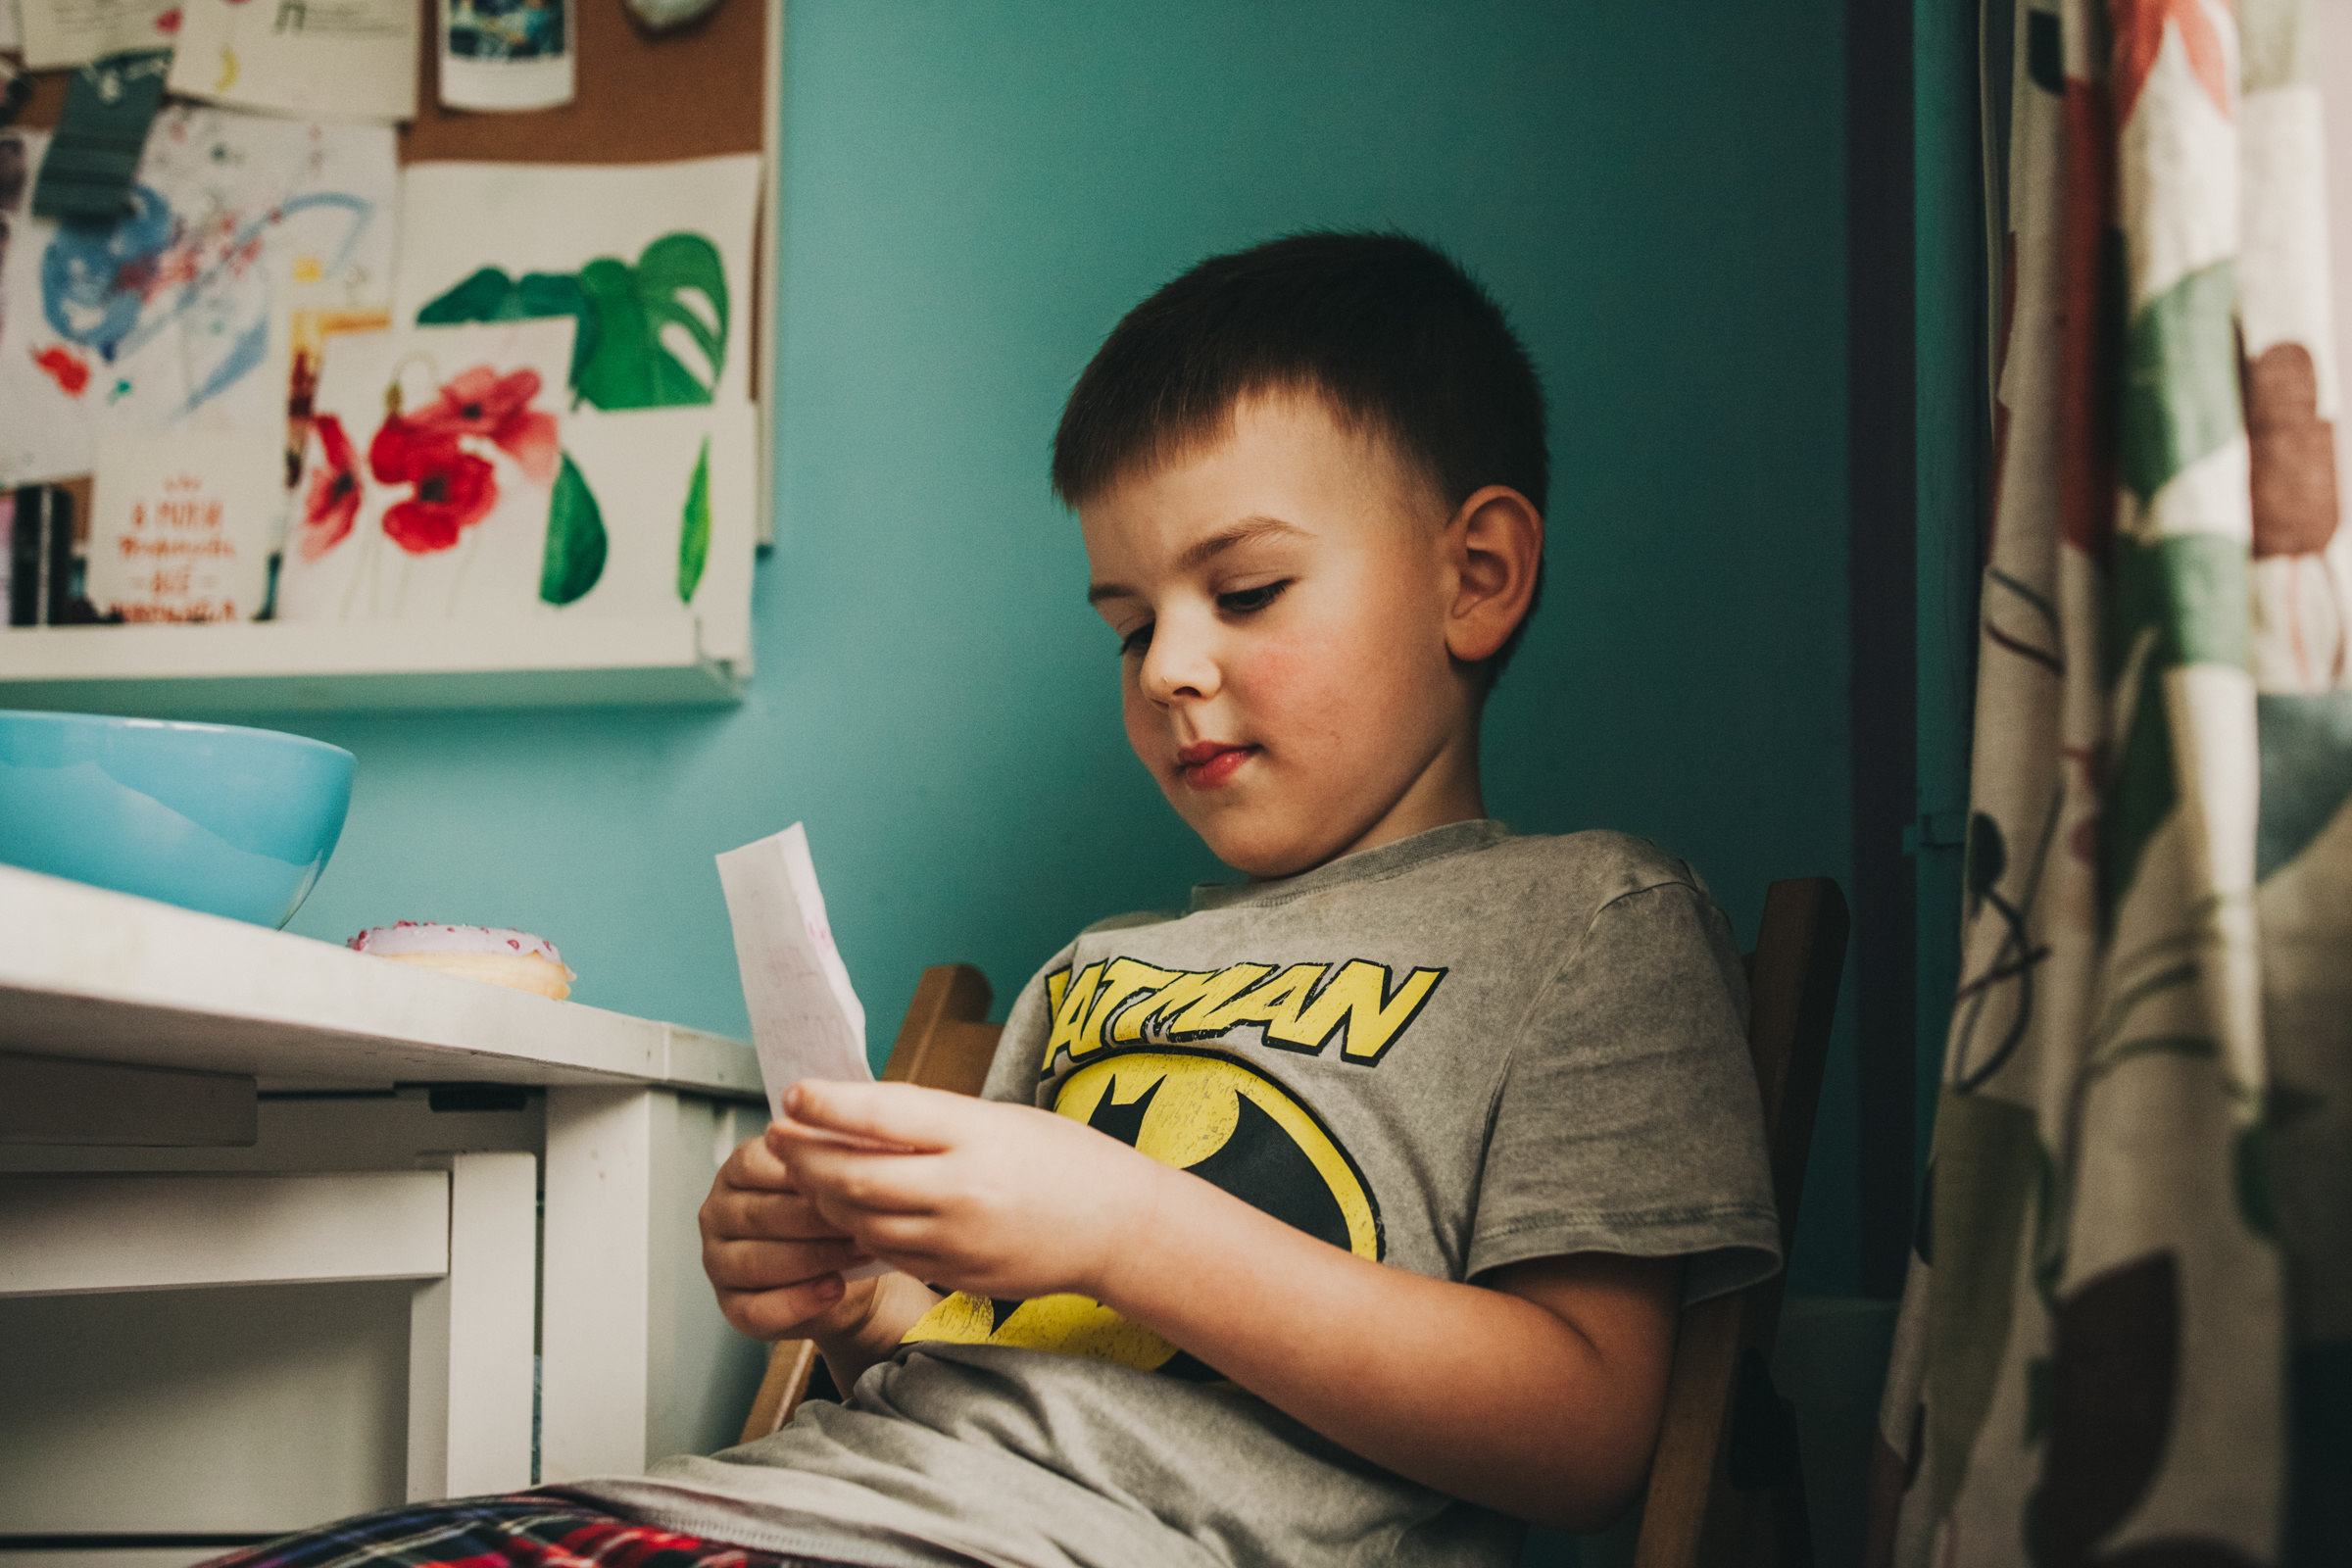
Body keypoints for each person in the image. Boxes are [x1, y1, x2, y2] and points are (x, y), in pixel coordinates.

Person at [200, 232, 1777, 1568]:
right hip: (779, 1512)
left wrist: (1121, 1220)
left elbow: (1588, 1437)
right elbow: (1001, 1338)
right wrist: (857, 1292)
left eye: (1244, 592)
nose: (1167, 666)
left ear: (1477, 576)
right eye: (1125, 621)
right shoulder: (1097, 970)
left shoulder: (1592, 920)